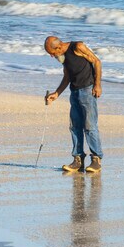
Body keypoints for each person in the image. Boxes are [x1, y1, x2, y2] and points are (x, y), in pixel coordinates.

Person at [44, 36, 103, 173]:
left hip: (88, 90)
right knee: (74, 126)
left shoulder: (77, 47)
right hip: (74, 92)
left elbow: (97, 62)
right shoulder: (62, 57)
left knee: (90, 126)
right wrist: (57, 93)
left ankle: (96, 159)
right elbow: (67, 76)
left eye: (52, 53)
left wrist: (98, 85)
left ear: (58, 47)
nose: (52, 57)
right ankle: (78, 160)